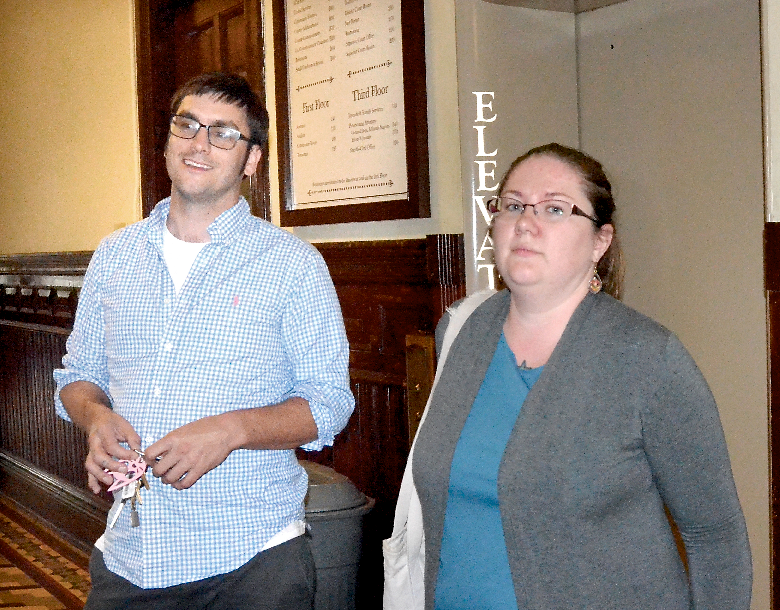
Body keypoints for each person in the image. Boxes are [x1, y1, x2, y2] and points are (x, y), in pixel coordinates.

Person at [54, 72, 354, 610]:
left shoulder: (293, 265)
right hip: (132, 555)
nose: (199, 143)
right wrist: (95, 418)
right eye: (187, 125)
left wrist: (231, 431)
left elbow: (329, 403)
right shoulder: (115, 255)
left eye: (224, 133)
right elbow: (78, 376)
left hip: (252, 561)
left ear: (252, 159)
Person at [412, 143, 752, 609]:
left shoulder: (648, 359)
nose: (525, 223)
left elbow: (715, 535)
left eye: (555, 209)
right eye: (513, 205)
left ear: (600, 241)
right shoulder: (461, 332)